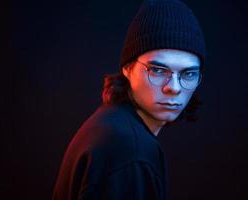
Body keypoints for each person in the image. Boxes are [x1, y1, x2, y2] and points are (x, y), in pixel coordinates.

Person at [52, 0, 206, 199]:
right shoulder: (131, 151)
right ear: (127, 68)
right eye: (158, 70)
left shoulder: (111, 126)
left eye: (188, 74)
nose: (173, 88)